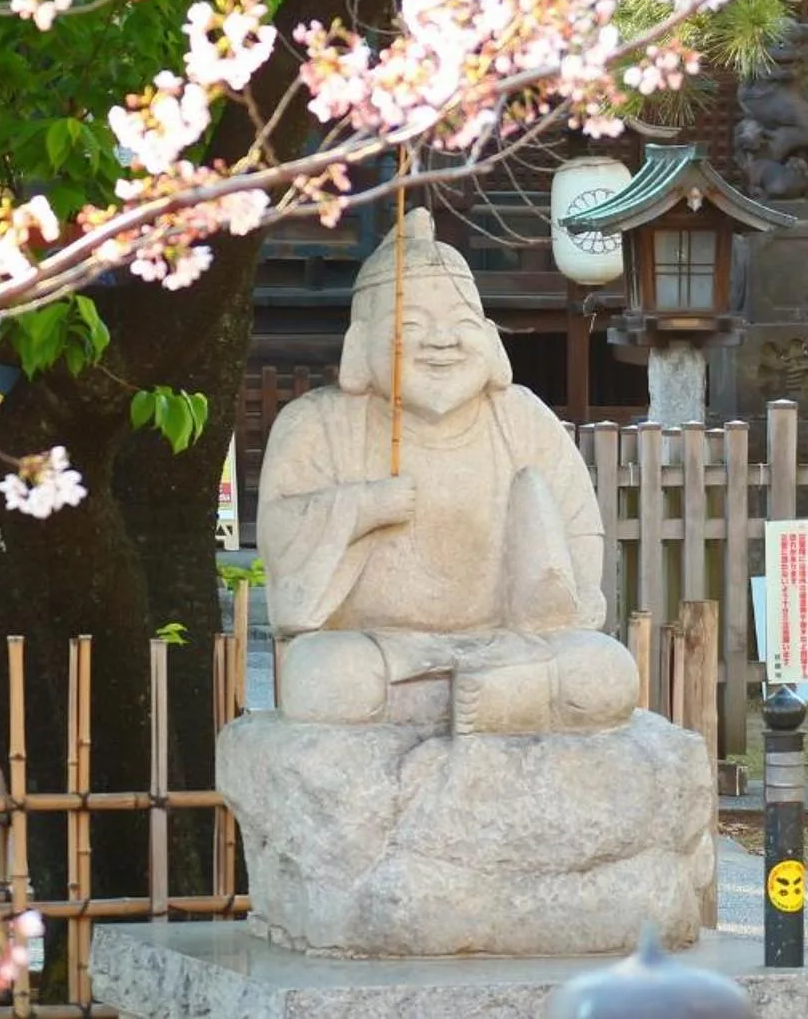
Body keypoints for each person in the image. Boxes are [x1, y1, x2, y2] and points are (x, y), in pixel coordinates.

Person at [257, 210, 640, 734]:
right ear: (360, 346)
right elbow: (283, 533)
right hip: (380, 651)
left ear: (490, 339)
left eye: (461, 325)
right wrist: (362, 506)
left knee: (606, 672)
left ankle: (499, 698)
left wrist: (555, 594)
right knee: (322, 678)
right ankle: (472, 705)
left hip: (509, 646)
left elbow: (579, 527)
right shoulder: (319, 425)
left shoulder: (522, 419)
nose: (442, 340)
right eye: (410, 325)